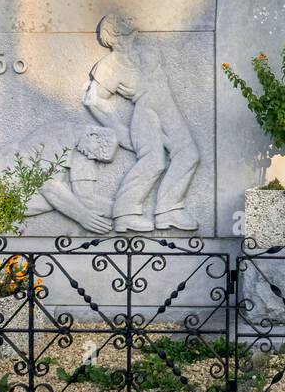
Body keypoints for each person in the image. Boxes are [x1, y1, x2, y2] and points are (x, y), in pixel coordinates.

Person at [84, 13, 199, 232]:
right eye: (122, 20)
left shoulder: (148, 52)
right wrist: (118, 130)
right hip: (146, 112)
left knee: (189, 154)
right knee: (154, 160)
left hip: (168, 110)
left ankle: (169, 210)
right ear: (114, 32)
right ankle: (125, 212)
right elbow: (94, 100)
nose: (128, 20)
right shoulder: (109, 66)